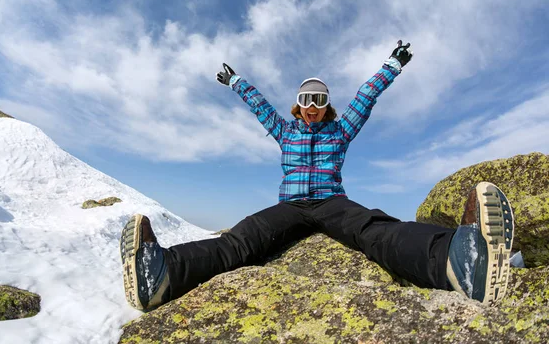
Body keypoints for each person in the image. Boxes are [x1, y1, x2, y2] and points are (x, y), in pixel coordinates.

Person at [119, 41, 514, 311]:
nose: (312, 106)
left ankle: (461, 259)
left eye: (320, 100)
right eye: (306, 99)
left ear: (327, 107)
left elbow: (366, 95)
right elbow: (259, 107)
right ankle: (162, 274)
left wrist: (391, 65)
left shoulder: (339, 131)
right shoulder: (285, 131)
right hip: (289, 207)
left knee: (374, 230)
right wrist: (238, 81)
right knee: (241, 242)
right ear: (298, 105)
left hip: (331, 203)